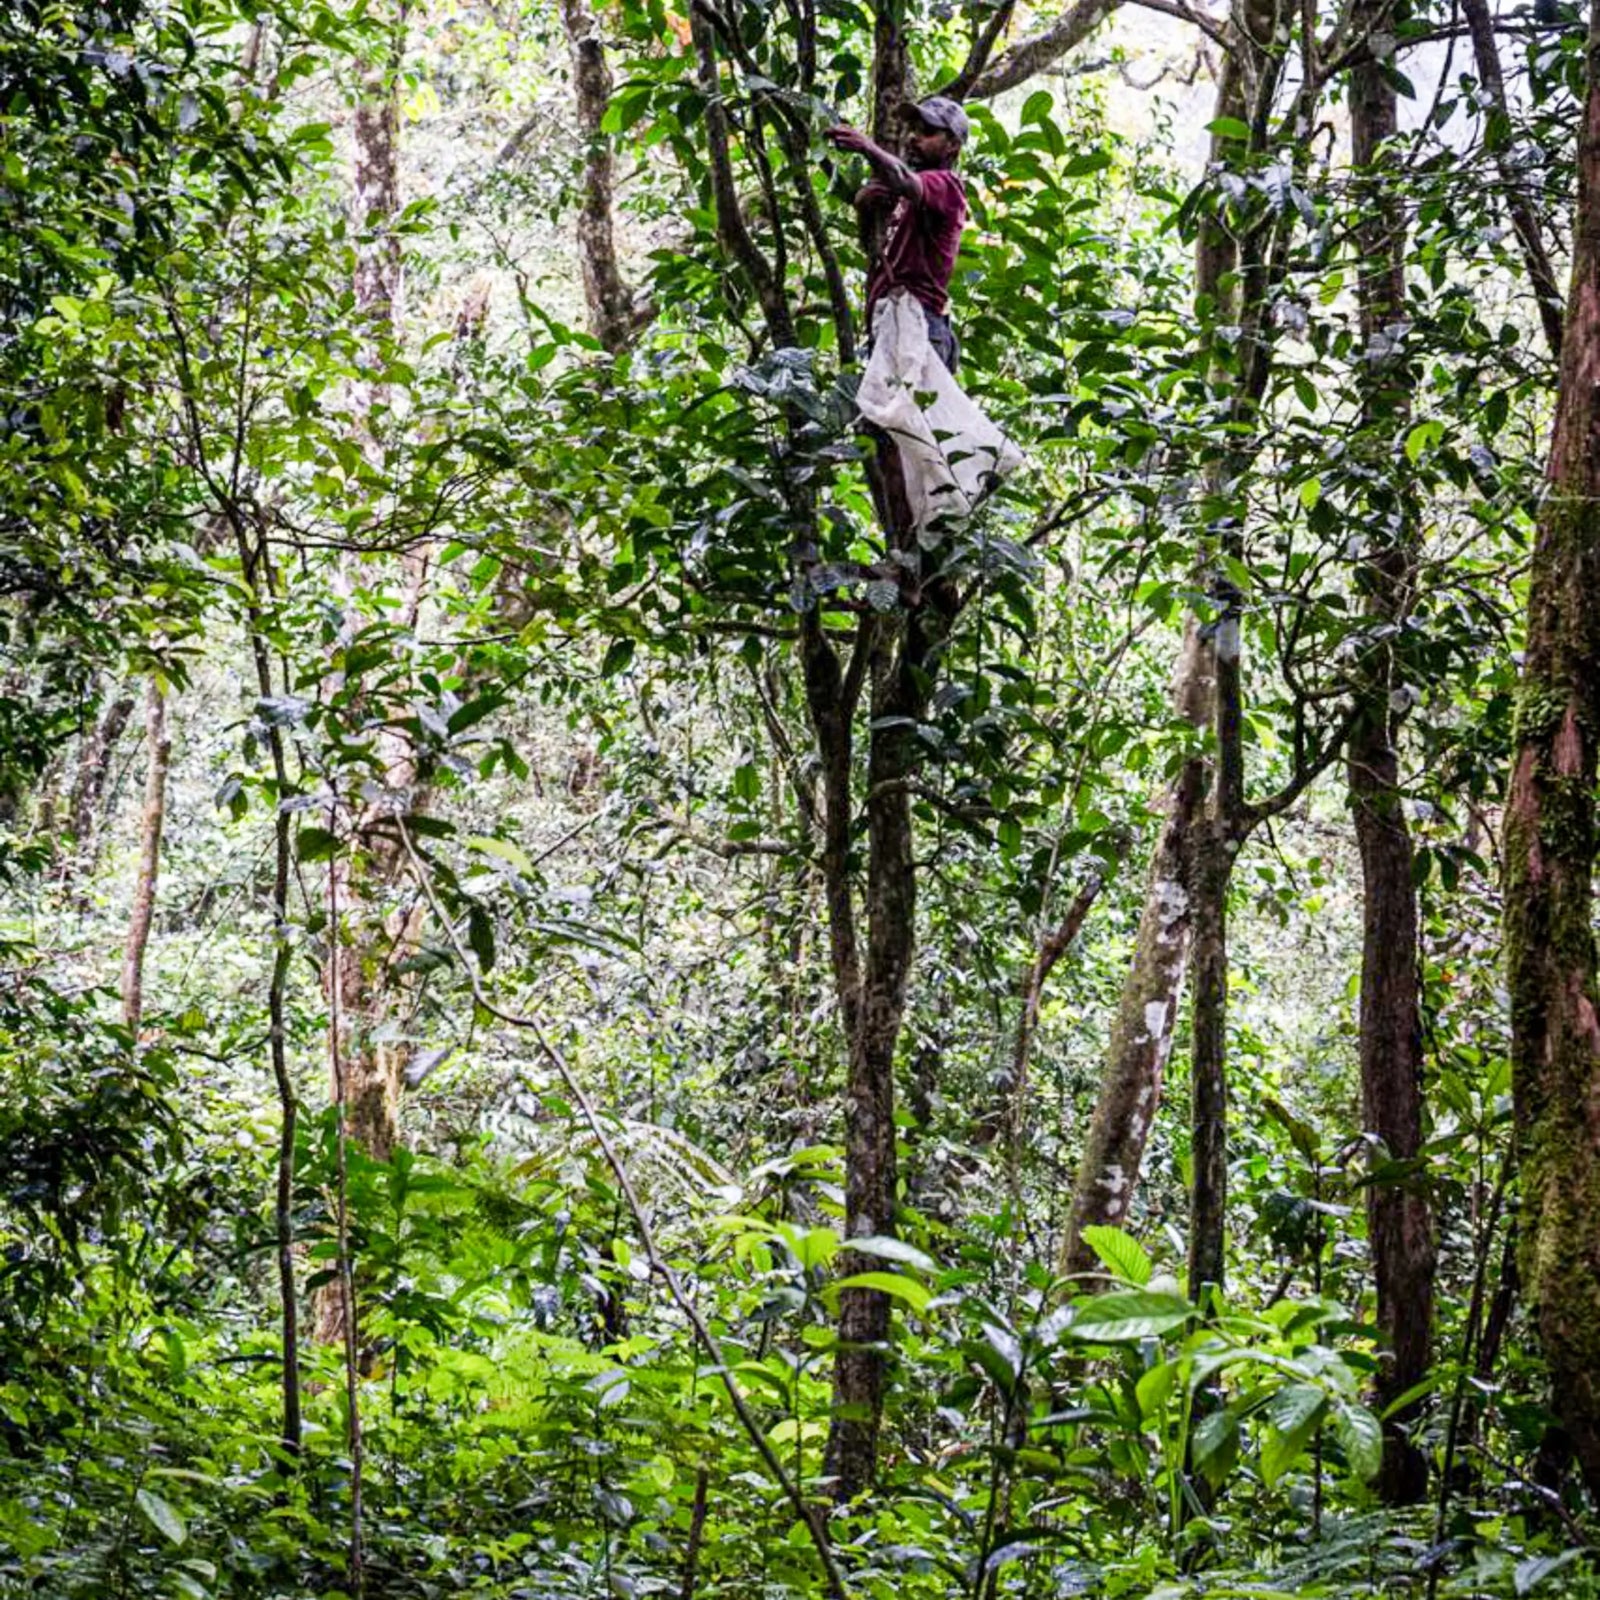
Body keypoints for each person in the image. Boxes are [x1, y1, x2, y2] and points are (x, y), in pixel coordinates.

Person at [826, 96, 970, 373]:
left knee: (909, 415)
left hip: (919, 325)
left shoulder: (947, 185)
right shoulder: (906, 198)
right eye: (912, 130)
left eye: (927, 132)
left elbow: (904, 178)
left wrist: (867, 147)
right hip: (892, 324)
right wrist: (864, 208)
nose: (914, 138)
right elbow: (873, 248)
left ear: (952, 145)